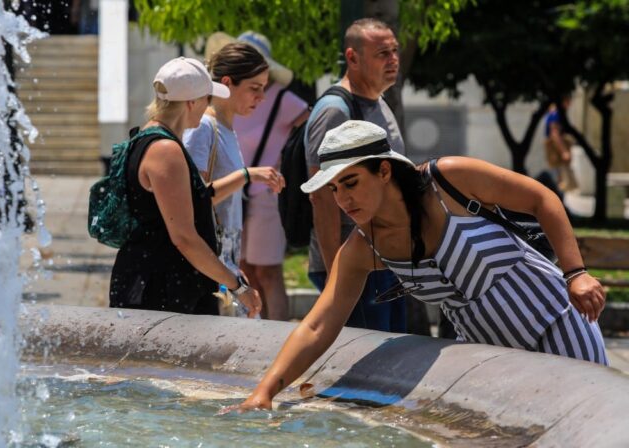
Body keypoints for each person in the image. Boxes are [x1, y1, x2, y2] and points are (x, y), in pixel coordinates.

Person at [236, 120, 608, 411]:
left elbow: (541, 198)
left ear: (384, 171)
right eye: (334, 189)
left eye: (350, 182)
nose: (343, 199)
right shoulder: (363, 247)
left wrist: (576, 273)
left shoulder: (448, 180)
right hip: (493, 354)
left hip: (557, 322)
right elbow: (318, 325)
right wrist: (264, 392)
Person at [108, 57, 270, 318]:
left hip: (159, 282)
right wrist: (236, 286)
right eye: (207, 99)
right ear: (191, 103)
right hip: (161, 289)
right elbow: (184, 237)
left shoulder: (149, 139)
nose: (209, 107)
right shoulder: (165, 150)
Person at [305, 18, 406, 331]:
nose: (393, 60)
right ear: (352, 58)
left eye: (394, 51)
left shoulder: (380, 100)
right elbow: (322, 196)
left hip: (386, 260)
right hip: (356, 266)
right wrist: (340, 271)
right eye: (382, 53)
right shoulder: (336, 110)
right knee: (367, 369)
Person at [184, 43, 286, 309]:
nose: (262, 97)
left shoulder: (225, 128)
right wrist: (247, 175)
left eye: (264, 87)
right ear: (227, 83)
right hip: (208, 274)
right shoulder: (204, 128)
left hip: (226, 271)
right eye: (255, 88)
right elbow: (194, 202)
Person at [224, 32, 310, 321]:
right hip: (237, 193)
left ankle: (280, 338)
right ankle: (258, 334)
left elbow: (310, 130)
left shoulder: (283, 98)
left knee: (269, 271)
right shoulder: (238, 96)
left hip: (267, 197)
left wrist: (288, 167)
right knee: (246, 270)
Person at [544, 96, 578, 192]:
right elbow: (554, 133)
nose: (570, 104)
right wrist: (564, 151)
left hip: (556, 148)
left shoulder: (553, 112)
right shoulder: (556, 113)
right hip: (556, 149)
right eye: (568, 101)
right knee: (560, 182)